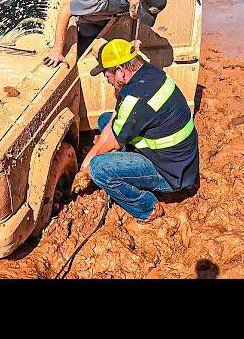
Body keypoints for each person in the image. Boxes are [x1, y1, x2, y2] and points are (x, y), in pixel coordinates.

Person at [76, 38, 199, 223]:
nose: (106, 79)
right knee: (104, 120)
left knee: (99, 168)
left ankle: (147, 209)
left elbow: (109, 145)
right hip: (181, 159)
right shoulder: (149, 73)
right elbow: (114, 118)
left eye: (107, 74)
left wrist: (85, 170)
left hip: (171, 173)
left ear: (120, 71)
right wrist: (86, 161)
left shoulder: (136, 99)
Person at [43, 0, 207, 66]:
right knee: (88, 63)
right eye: (142, 12)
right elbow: (66, 10)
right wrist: (57, 50)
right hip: (90, 20)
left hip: (111, 14)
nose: (140, 16)